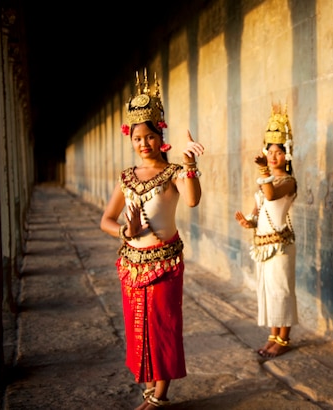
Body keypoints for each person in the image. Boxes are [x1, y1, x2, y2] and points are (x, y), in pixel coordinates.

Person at [100, 69, 205, 409]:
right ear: (130, 139)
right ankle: (149, 390)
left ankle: (160, 395)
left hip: (165, 264)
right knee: (138, 328)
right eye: (137, 138)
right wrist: (125, 232)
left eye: (149, 137)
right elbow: (106, 220)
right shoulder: (127, 177)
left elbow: (192, 200)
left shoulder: (173, 173)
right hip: (132, 264)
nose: (143, 144)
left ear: (161, 136)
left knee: (162, 328)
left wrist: (189, 164)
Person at [235, 103, 298, 358]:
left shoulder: (287, 182)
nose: (273, 157)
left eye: (278, 153)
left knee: (282, 291)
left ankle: (284, 339)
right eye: (270, 152)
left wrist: (263, 171)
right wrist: (248, 222)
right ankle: (273, 335)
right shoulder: (265, 182)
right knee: (269, 292)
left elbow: (271, 196)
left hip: (281, 246)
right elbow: (259, 210)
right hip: (263, 246)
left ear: (288, 155)